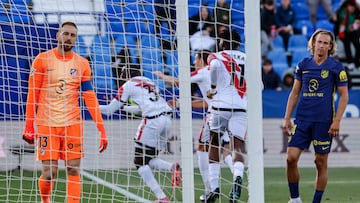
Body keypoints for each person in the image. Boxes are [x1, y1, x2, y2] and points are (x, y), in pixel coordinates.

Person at [22, 21, 108, 203]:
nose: (69, 38)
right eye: (66, 33)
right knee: (49, 173)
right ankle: (46, 201)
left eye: (73, 35)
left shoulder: (82, 64)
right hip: (47, 124)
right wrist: (29, 126)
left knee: (73, 169)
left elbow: (90, 97)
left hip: (72, 124)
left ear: (76, 39)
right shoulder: (42, 60)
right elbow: (32, 95)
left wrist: (102, 129)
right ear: (58, 35)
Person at [153, 49, 234, 201]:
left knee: (202, 148)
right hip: (230, 112)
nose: (194, 62)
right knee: (224, 149)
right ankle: (237, 174)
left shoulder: (203, 72)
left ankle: (210, 188)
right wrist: (182, 103)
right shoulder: (220, 73)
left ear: (203, 60)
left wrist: (161, 76)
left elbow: (178, 81)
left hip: (214, 114)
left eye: (196, 59)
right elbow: (205, 101)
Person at [282, 29, 349, 203]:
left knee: (320, 163)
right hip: (302, 120)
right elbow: (295, 92)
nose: (322, 45)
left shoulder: (336, 67)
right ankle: (294, 199)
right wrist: (287, 117)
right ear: (313, 43)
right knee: (290, 159)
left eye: (326, 43)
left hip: (324, 122)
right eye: (319, 42)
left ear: (330, 46)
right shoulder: (303, 64)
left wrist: (337, 121)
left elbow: (344, 96)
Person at [99, 70, 181, 203]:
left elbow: (109, 110)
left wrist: (88, 107)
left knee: (139, 162)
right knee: (148, 159)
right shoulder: (148, 81)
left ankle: (162, 198)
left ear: (123, 74)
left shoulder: (127, 85)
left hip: (152, 122)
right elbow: (140, 109)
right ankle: (171, 167)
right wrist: (123, 107)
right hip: (167, 119)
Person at [205, 29, 247, 203]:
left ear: (222, 41)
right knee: (238, 146)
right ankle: (237, 176)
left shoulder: (216, 56)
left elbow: (214, 67)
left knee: (214, 142)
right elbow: (259, 86)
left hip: (220, 104)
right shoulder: (248, 58)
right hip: (241, 106)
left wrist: (213, 87)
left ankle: (214, 187)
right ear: (238, 43)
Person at [332, 0, 360, 69]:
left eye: (353, 8)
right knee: (347, 44)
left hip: (353, 33)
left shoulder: (357, 12)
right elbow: (337, 25)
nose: (352, 10)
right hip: (343, 33)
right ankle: (350, 62)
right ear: (348, 7)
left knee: (358, 46)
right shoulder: (341, 13)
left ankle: (357, 63)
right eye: (351, 8)